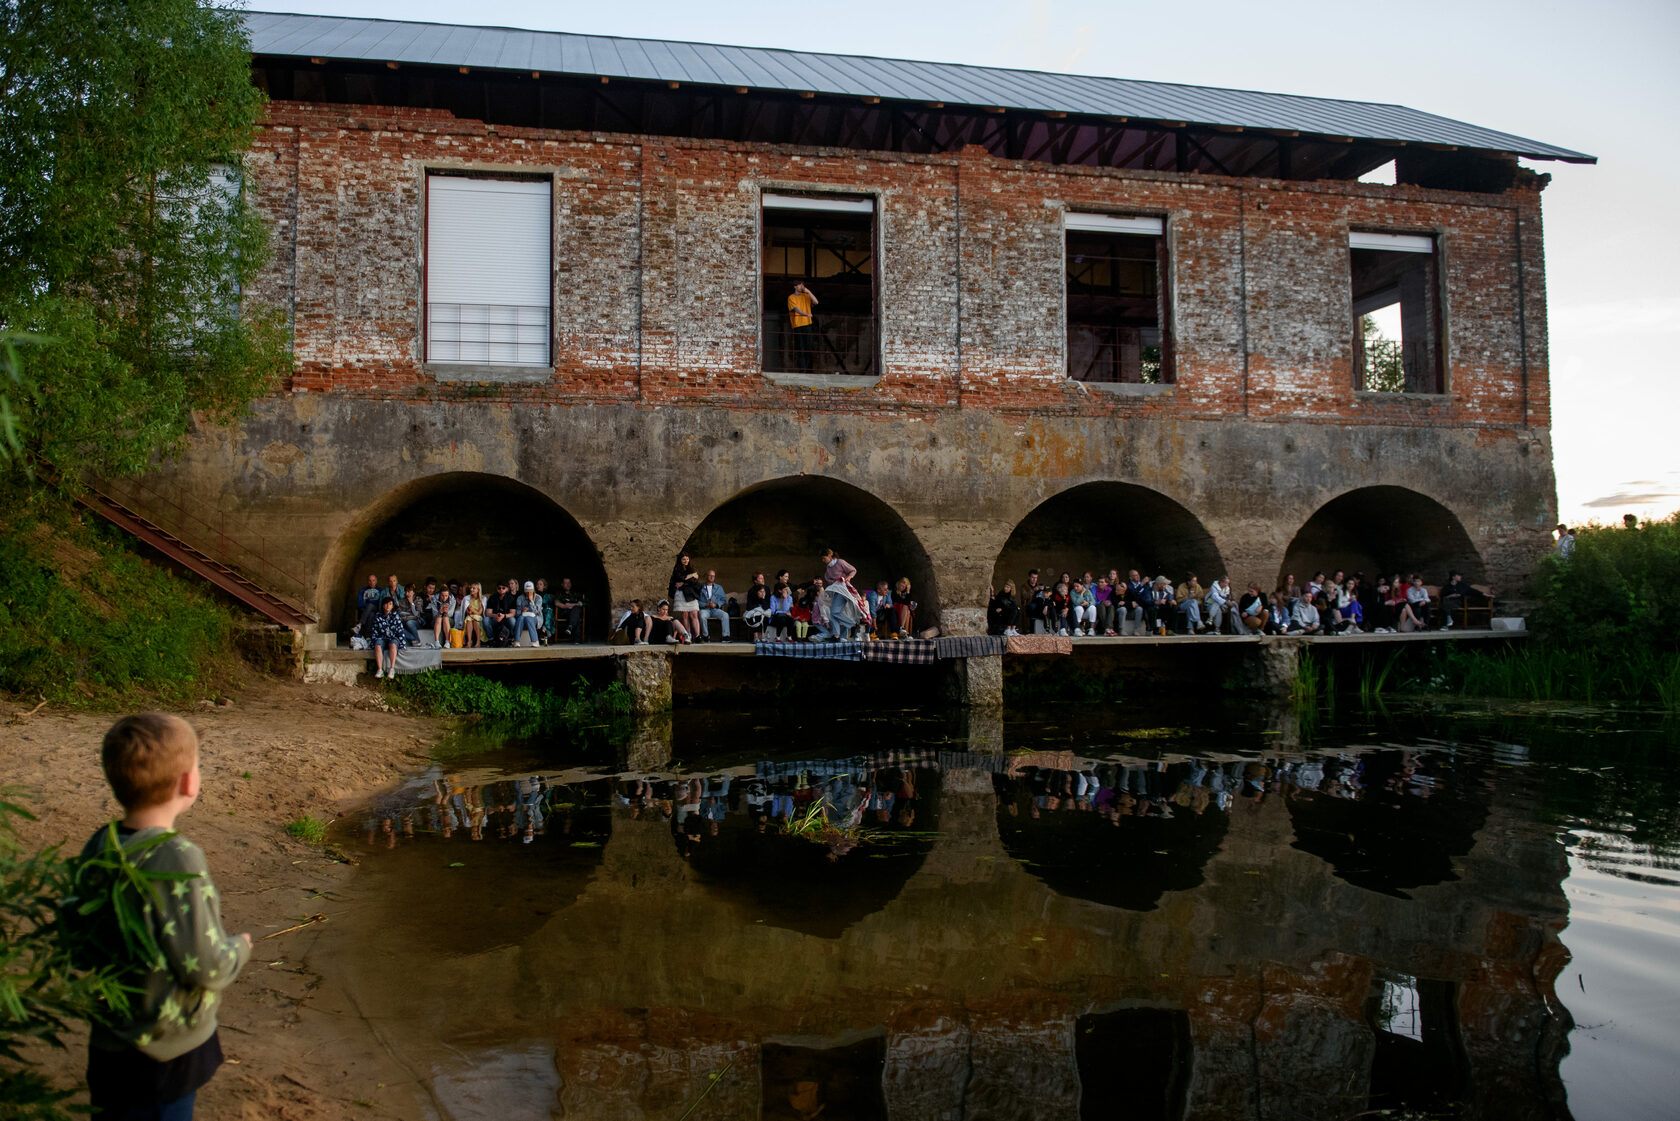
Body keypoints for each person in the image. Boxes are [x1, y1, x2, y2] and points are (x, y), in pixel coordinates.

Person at [67, 714, 251, 1121]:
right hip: (165, 1050)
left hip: (110, 1040)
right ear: (188, 782)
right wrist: (239, 948)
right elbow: (206, 965)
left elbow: (77, 935)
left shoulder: (101, 843)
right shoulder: (179, 857)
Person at [369, 596, 408, 677]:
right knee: (378, 645)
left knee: (393, 645)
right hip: (382, 637)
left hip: (393, 637)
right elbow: (374, 630)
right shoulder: (378, 616)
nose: (388, 606)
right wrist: (374, 642)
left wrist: (402, 644)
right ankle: (380, 669)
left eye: (390, 604)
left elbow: (400, 631)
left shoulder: (396, 616)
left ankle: (392, 669)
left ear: (392, 606)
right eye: (386, 604)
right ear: (383, 605)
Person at [787, 281, 819, 372]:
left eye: (802, 285)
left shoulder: (806, 296)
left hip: (808, 324)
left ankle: (809, 369)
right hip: (798, 325)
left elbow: (816, 302)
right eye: (800, 285)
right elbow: (796, 309)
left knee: (809, 347)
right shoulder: (791, 297)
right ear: (795, 286)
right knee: (800, 348)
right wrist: (806, 314)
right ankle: (802, 369)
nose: (802, 287)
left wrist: (809, 292)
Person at [697, 569, 731, 642]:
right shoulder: (700, 587)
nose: (712, 577)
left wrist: (716, 604)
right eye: (710, 575)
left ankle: (725, 637)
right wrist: (705, 604)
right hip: (705, 609)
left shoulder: (719, 588)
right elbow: (696, 601)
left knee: (725, 615)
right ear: (706, 576)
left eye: (713, 576)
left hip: (715, 610)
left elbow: (723, 600)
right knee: (702, 615)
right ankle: (706, 636)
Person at [553, 577, 586, 644]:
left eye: (569, 583)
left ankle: (570, 626)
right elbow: (556, 603)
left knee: (576, 610)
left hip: (574, 613)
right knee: (577, 616)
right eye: (566, 583)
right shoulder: (559, 593)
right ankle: (576, 639)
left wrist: (572, 605)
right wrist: (565, 606)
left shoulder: (576, 593)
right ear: (562, 584)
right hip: (564, 612)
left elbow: (582, 603)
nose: (568, 584)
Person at [513, 581, 543, 647]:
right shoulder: (520, 598)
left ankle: (535, 641)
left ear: (533, 590)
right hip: (522, 619)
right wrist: (522, 611)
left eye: (530, 591)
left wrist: (531, 601)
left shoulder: (538, 598)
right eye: (527, 591)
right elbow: (517, 614)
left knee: (529, 618)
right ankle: (516, 641)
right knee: (520, 618)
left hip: (535, 619)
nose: (529, 593)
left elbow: (537, 612)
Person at [768, 575, 796, 641]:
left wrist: (785, 598)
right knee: (781, 617)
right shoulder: (773, 597)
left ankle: (789, 636)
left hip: (785, 618)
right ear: (780, 591)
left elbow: (786, 609)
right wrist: (784, 612)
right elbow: (773, 611)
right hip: (774, 618)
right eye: (785, 590)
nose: (787, 591)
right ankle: (777, 637)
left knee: (791, 619)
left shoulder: (789, 597)